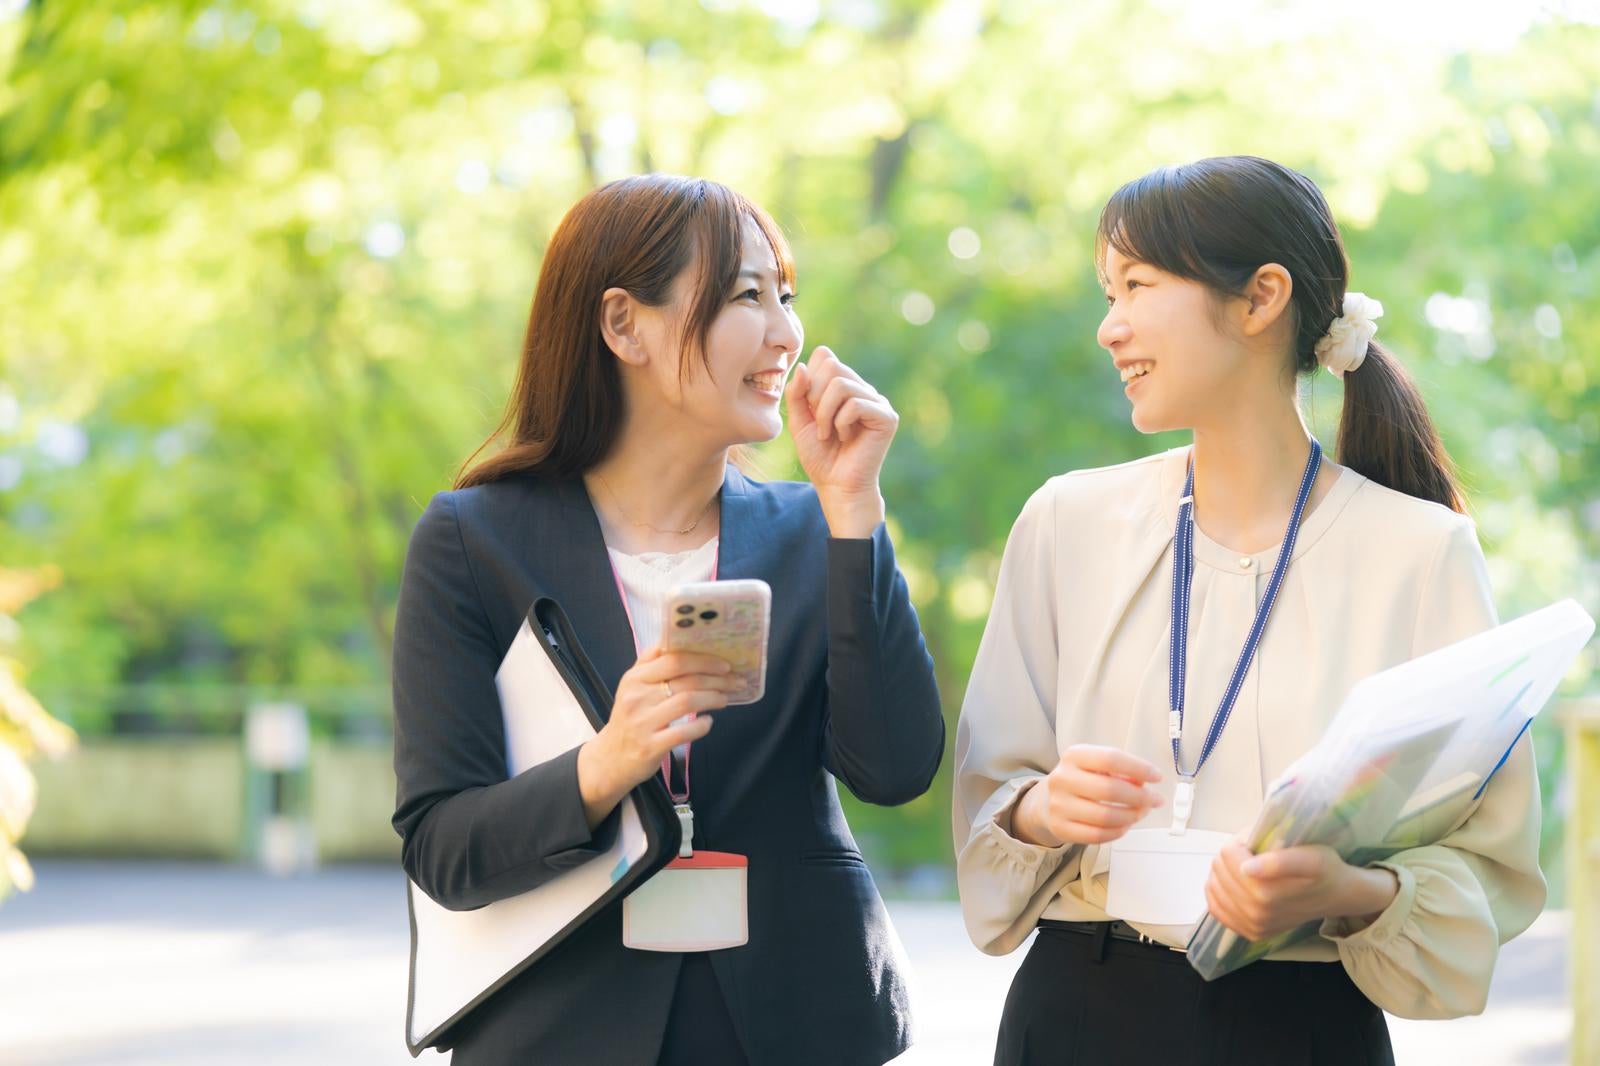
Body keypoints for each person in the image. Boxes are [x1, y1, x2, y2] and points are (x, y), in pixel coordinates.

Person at [953, 155, 1545, 1065]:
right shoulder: (1065, 521)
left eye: (1137, 286)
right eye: (1107, 293)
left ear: (1261, 297)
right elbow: (989, 798)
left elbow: (1489, 862)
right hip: (1075, 1012)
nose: (1109, 328)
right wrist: (1042, 810)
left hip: (1304, 1024)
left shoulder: (1421, 554)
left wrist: (1343, 890)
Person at [392, 174, 944, 1065]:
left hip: (795, 1023)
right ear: (623, 325)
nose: (786, 334)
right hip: (565, 1026)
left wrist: (854, 514)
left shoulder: (815, 529)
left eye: (786, 296)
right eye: (746, 296)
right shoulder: (472, 541)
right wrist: (602, 766)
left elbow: (895, 767)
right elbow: (444, 850)